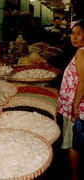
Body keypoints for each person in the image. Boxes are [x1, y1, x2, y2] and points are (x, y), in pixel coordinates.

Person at [57, 19, 84, 180]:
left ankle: (74, 176)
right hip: (78, 106)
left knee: (73, 142)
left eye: (79, 34)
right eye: (73, 33)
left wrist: (74, 108)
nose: (74, 37)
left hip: (76, 108)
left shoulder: (81, 53)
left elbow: (83, 82)